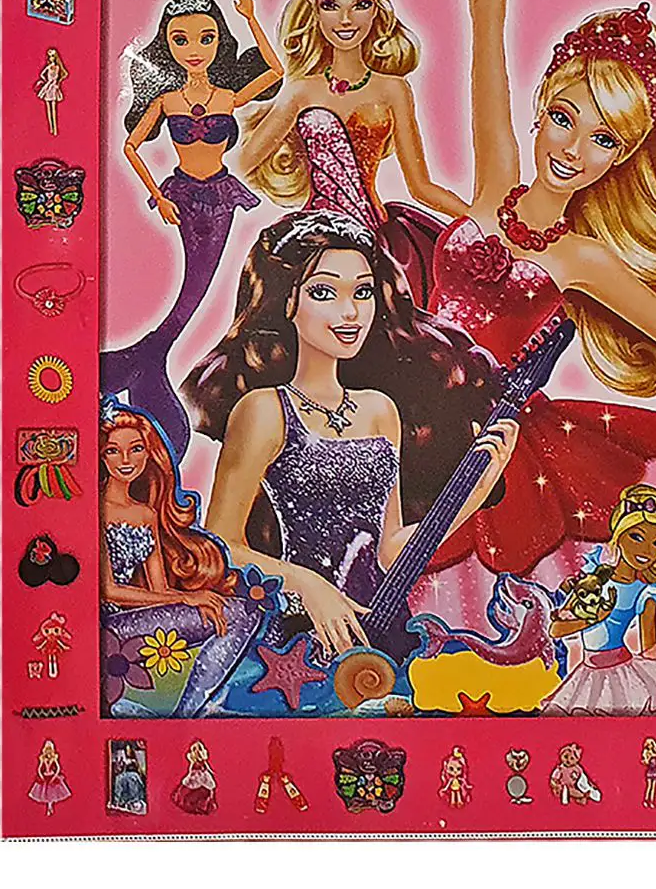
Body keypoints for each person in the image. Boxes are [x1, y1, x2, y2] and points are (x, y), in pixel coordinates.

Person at [420, 0, 656, 577]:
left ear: (620, 158)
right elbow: (486, 23)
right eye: (565, 118)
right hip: (397, 396)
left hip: (478, 439)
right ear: (540, 107)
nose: (572, 150)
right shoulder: (496, 179)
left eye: (603, 139)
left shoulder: (584, 260)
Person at [183, 209, 514, 656]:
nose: (350, 312)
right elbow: (221, 544)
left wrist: (475, 492)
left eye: (362, 292)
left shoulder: (379, 410)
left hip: (382, 626)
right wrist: (307, 584)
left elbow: (390, 550)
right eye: (324, 292)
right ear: (288, 302)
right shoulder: (265, 410)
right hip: (300, 634)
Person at [101, 0, 281, 437]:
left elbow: (274, 71)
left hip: (219, 196)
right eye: (181, 40)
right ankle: (144, 361)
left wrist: (251, 18)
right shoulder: (167, 100)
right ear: (168, 45)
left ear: (219, 40)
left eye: (206, 38)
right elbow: (130, 146)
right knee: (189, 286)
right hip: (181, 194)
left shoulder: (226, 97)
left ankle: (144, 359)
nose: (194, 49)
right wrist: (158, 195)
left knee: (197, 286)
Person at [236, 0, 467, 230]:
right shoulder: (302, 91)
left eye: (361, 4)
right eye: (331, 5)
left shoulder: (393, 89)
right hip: (316, 233)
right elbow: (241, 165)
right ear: (316, 13)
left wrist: (477, 219)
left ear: (376, 11)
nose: (345, 19)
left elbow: (420, 186)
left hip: (371, 229)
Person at [542, 484, 656, 716]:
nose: (647, 550)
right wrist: (595, 619)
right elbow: (556, 630)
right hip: (586, 672)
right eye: (636, 537)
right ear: (619, 536)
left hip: (622, 673)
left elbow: (649, 646)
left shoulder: (647, 591)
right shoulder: (593, 578)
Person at [100, 399, 235, 634]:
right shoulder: (98, 510)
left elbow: (159, 589)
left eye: (136, 449)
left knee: (230, 611)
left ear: (149, 453)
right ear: (101, 457)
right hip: (103, 624)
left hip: (140, 615)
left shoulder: (146, 514)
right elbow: (107, 591)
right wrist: (183, 599)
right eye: (113, 451)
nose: (126, 460)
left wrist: (194, 598)